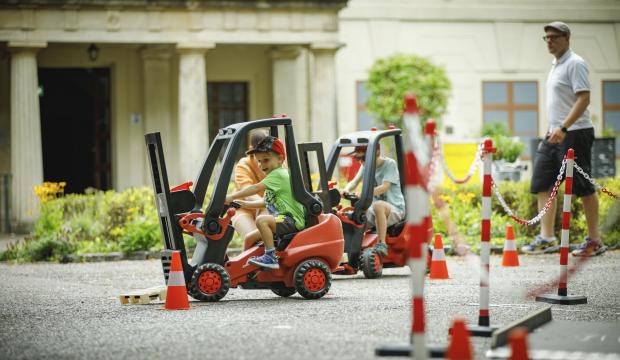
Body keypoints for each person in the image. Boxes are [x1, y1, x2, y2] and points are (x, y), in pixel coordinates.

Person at [524, 21, 606, 256]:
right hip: (554, 132)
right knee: (542, 182)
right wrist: (554, 128)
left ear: (567, 38)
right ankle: (547, 238)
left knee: (583, 186)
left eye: (554, 37)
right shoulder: (555, 65)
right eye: (546, 38)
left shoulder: (575, 63)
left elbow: (584, 98)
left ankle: (595, 240)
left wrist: (564, 127)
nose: (549, 41)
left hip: (575, 132)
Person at [225, 136, 306, 269]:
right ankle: (246, 267)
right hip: (282, 219)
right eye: (259, 161)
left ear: (280, 159)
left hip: (290, 220)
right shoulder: (272, 177)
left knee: (262, 221)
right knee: (250, 238)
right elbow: (265, 203)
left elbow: (255, 188)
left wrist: (231, 197)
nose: (262, 165)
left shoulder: (278, 174)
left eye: (266, 160)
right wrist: (242, 204)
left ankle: (270, 257)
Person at [342, 144, 405, 256]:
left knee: (378, 206)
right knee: (351, 216)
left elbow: (385, 187)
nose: (361, 162)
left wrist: (364, 194)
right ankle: (349, 251)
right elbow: (355, 182)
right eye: (358, 158)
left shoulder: (389, 164)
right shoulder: (366, 166)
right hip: (375, 210)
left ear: (376, 153)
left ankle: (382, 244)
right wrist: (345, 190)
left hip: (394, 208)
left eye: (363, 158)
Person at [231, 129, 270, 249]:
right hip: (244, 209)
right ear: (251, 149)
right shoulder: (244, 165)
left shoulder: (279, 164)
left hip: (267, 207)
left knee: (267, 237)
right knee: (253, 238)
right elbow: (249, 193)